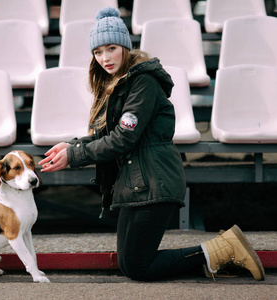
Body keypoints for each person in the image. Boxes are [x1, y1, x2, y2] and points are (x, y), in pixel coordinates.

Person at [39, 7, 265, 281]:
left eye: (111, 48)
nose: (105, 58)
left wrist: (75, 156)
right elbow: (108, 134)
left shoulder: (142, 82)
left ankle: (224, 249)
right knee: (129, 263)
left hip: (153, 179)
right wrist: (71, 146)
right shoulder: (117, 84)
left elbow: (123, 138)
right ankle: (219, 253)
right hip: (135, 183)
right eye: (98, 52)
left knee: (137, 267)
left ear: (124, 45)